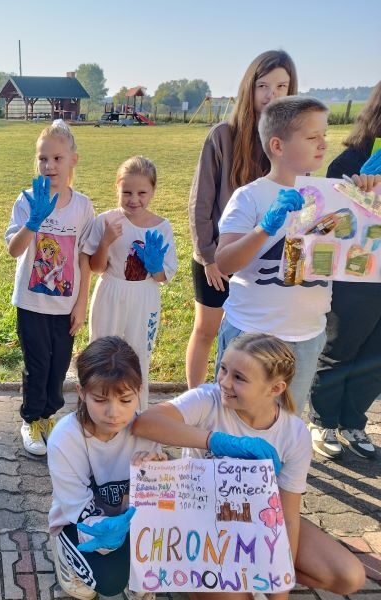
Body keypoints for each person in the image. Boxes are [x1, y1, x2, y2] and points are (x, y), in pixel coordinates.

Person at [132, 333, 366, 598]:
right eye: (223, 369)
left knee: (349, 576)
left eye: (239, 378)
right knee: (236, 596)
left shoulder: (294, 433)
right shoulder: (208, 400)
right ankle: (190, 575)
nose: (224, 382)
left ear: (275, 389)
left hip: (256, 518)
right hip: (198, 516)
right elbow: (145, 423)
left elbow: (287, 516)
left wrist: (278, 585)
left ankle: (244, 572)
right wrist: (216, 441)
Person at [214, 96, 381, 414]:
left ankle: (279, 465)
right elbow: (225, 262)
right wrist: (264, 229)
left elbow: (362, 248)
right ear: (277, 145)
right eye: (312, 137)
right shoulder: (251, 196)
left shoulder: (337, 194)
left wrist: (368, 196)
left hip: (306, 335)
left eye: (324, 135)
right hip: (251, 331)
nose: (323, 144)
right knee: (234, 416)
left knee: (286, 420)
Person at [186, 50, 298, 388]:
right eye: (262, 85)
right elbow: (200, 202)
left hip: (265, 260)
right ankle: (195, 400)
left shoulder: (291, 143)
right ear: (248, 89)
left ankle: (247, 406)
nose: (272, 95)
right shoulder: (223, 135)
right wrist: (208, 257)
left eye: (282, 86)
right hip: (218, 259)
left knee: (252, 340)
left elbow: (303, 203)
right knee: (207, 330)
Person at [48, 336, 163, 600]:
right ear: (81, 392)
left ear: (140, 391)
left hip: (131, 519)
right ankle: (65, 553)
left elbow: (158, 497)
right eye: (100, 400)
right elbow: (78, 509)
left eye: (125, 400)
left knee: (162, 561)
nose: (114, 413)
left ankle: (136, 568)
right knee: (110, 582)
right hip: (82, 522)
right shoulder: (66, 439)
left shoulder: (148, 430)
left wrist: (159, 473)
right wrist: (107, 530)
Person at [4, 120, 94, 456]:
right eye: (43, 158)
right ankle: (30, 419)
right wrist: (33, 222)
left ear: (73, 160)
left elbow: (84, 258)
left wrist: (81, 304)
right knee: (37, 364)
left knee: (59, 366)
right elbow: (14, 249)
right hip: (31, 303)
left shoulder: (83, 206)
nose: (49, 165)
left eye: (57, 158)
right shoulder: (27, 200)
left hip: (65, 305)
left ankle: (48, 416)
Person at [308, 81, 381, 460]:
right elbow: (326, 219)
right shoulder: (353, 160)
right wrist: (356, 191)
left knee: (376, 355)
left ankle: (354, 421)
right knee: (342, 348)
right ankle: (322, 420)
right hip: (358, 276)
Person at [83, 156, 178, 409]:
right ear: (117, 188)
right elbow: (96, 267)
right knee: (102, 350)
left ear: (153, 191)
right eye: (127, 192)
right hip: (111, 291)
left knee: (138, 354)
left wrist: (156, 267)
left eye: (141, 192)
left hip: (144, 297)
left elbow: (163, 278)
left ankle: (136, 410)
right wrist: (105, 241)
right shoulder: (107, 221)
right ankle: (97, 406)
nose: (134, 199)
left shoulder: (162, 227)